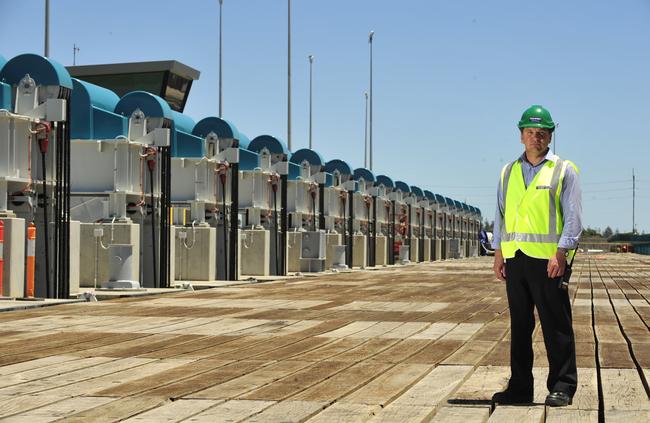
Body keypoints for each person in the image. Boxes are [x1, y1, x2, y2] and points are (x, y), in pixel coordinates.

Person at [491, 105, 582, 407]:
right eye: (529, 132)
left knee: (556, 324)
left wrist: (562, 252)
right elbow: (501, 216)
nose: (535, 138)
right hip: (515, 259)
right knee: (519, 326)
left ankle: (562, 386)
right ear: (521, 136)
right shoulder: (508, 171)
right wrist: (499, 253)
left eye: (541, 133)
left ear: (550, 136)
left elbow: (573, 217)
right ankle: (519, 388)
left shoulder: (563, 170)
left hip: (548, 262)